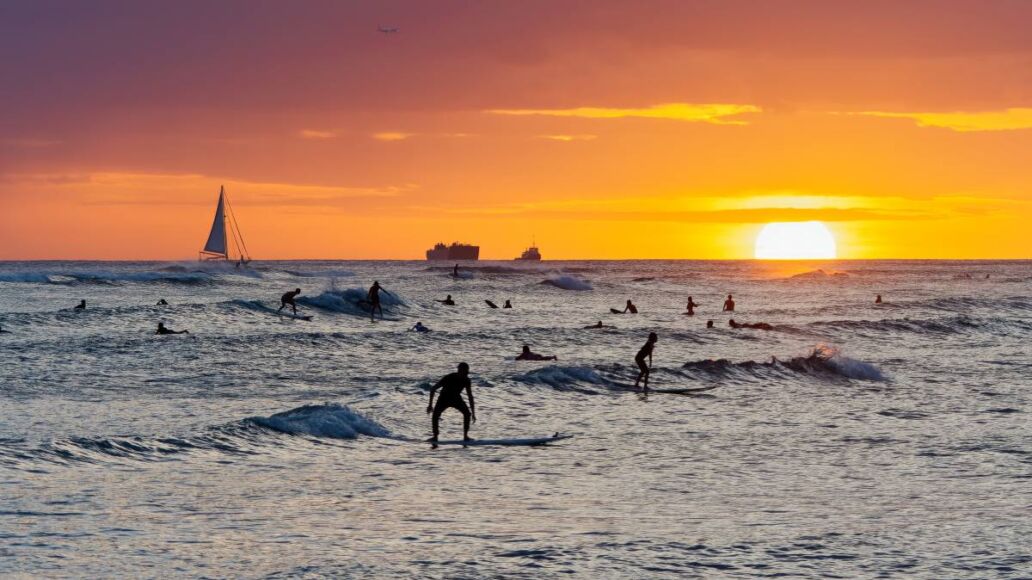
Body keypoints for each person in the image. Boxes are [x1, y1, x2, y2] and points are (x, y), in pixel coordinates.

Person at [427, 362, 476, 443]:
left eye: (467, 372)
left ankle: (465, 436)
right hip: (444, 398)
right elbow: (433, 388)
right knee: (435, 415)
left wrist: (473, 413)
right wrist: (430, 405)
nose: (466, 374)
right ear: (459, 371)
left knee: (467, 413)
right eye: (465, 372)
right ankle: (435, 436)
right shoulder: (449, 377)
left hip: (456, 398)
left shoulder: (466, 380)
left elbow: (470, 396)